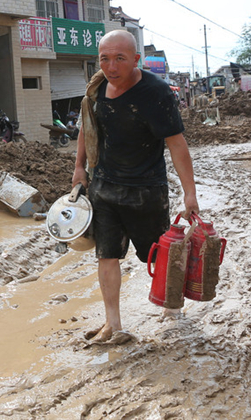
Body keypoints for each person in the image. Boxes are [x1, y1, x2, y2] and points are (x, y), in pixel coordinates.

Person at [73, 30, 199, 342]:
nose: (111, 66)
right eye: (104, 59)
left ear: (136, 60)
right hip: (103, 187)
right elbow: (86, 126)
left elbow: (176, 144)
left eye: (120, 59)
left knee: (156, 256)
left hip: (145, 191)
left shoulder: (155, 94)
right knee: (107, 254)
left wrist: (190, 192)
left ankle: (172, 309)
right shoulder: (96, 88)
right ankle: (113, 323)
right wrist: (79, 166)